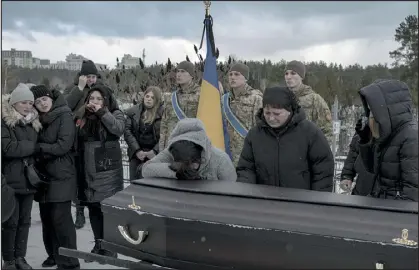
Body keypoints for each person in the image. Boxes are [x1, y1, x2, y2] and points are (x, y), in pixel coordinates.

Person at [236, 86, 334, 191]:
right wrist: (246, 193)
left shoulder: (310, 133)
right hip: (264, 201)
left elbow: (323, 171)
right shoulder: (255, 135)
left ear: (289, 110)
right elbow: (246, 169)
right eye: (267, 113)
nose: (271, 118)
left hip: (300, 201)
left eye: (277, 114)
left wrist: (316, 201)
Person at [30, 85, 80, 269]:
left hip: (63, 175)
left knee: (61, 219)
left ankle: (69, 261)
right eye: (37, 101)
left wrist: (39, 149)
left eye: (44, 99)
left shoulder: (64, 115)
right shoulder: (36, 120)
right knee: (47, 219)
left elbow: (63, 146)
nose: (41, 103)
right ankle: (53, 255)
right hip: (43, 177)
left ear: (50, 97)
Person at [73, 84, 125, 259]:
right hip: (87, 167)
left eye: (99, 99)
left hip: (106, 168)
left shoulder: (115, 113)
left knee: (106, 209)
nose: (94, 102)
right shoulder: (83, 115)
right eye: (92, 98)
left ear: (106, 101)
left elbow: (118, 129)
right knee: (93, 208)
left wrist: (102, 112)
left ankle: (111, 247)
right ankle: (98, 244)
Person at [2, 83, 42, 269]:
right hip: (9, 181)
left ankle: (20, 257)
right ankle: (9, 259)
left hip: (28, 179)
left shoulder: (34, 123)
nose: (27, 106)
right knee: (11, 222)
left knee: (24, 221)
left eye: (30, 103)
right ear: (14, 103)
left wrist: (26, 148)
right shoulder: (5, 121)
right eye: (23, 102)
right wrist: (32, 147)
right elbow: (8, 148)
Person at [356, 79, 418, 201]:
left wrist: (390, 216)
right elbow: (372, 169)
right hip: (382, 204)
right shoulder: (388, 133)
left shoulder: (411, 138)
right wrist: (365, 140)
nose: (370, 118)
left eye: (374, 113)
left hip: (393, 212)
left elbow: (413, 193)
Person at [64, 60, 102, 229]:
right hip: (77, 140)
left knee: (93, 177)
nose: (91, 80)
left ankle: (95, 208)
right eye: (87, 76)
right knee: (78, 177)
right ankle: (79, 211)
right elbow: (65, 107)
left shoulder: (100, 91)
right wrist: (79, 89)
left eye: (93, 76)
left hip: (95, 140)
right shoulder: (74, 90)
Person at [142, 118, 236, 181]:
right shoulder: (172, 151)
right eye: (187, 163)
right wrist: (177, 171)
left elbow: (232, 191)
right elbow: (146, 170)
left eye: (194, 162)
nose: (192, 168)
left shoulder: (221, 160)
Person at [221, 62, 263, 166]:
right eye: (230, 74)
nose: (232, 77)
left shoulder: (256, 98)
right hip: (225, 151)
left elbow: (261, 128)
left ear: (245, 78)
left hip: (246, 153)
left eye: (237, 74)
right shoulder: (224, 99)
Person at [284, 60, 333, 145]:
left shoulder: (315, 99)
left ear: (301, 76)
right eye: (286, 74)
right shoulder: (281, 98)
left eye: (293, 73)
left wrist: (315, 152)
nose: (288, 77)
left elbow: (327, 131)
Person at [158, 61, 201, 151]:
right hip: (172, 145)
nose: (178, 74)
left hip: (192, 145)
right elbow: (164, 124)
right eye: (178, 71)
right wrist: (162, 148)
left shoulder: (201, 94)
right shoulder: (171, 97)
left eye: (183, 71)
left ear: (191, 75)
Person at [124, 86, 164, 180]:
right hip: (137, 152)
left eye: (152, 98)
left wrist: (155, 151)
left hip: (155, 154)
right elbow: (127, 131)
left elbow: (166, 134)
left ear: (157, 100)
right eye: (147, 96)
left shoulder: (164, 113)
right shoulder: (133, 112)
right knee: (134, 184)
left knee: (152, 186)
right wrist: (137, 151)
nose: (149, 99)